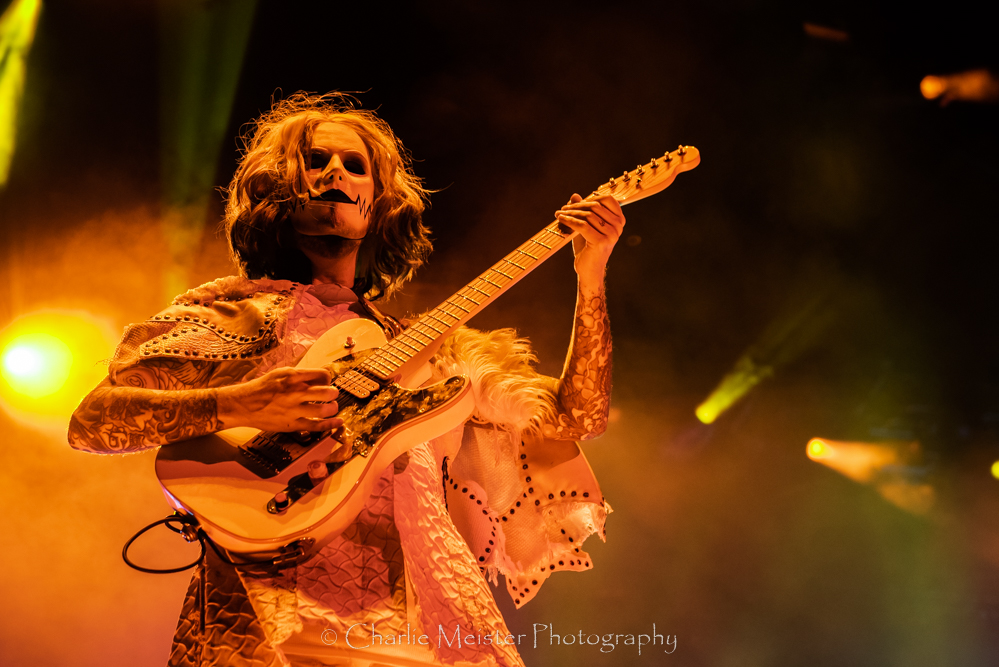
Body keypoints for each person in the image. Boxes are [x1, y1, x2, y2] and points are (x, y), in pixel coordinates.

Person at [69, 92, 625, 667]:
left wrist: (591, 275)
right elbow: (93, 422)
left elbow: (577, 417)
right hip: (272, 612)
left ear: (378, 203)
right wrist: (241, 403)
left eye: (355, 165)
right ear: (276, 189)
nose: (336, 172)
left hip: (435, 619)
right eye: (315, 161)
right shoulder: (228, 315)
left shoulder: (433, 349)